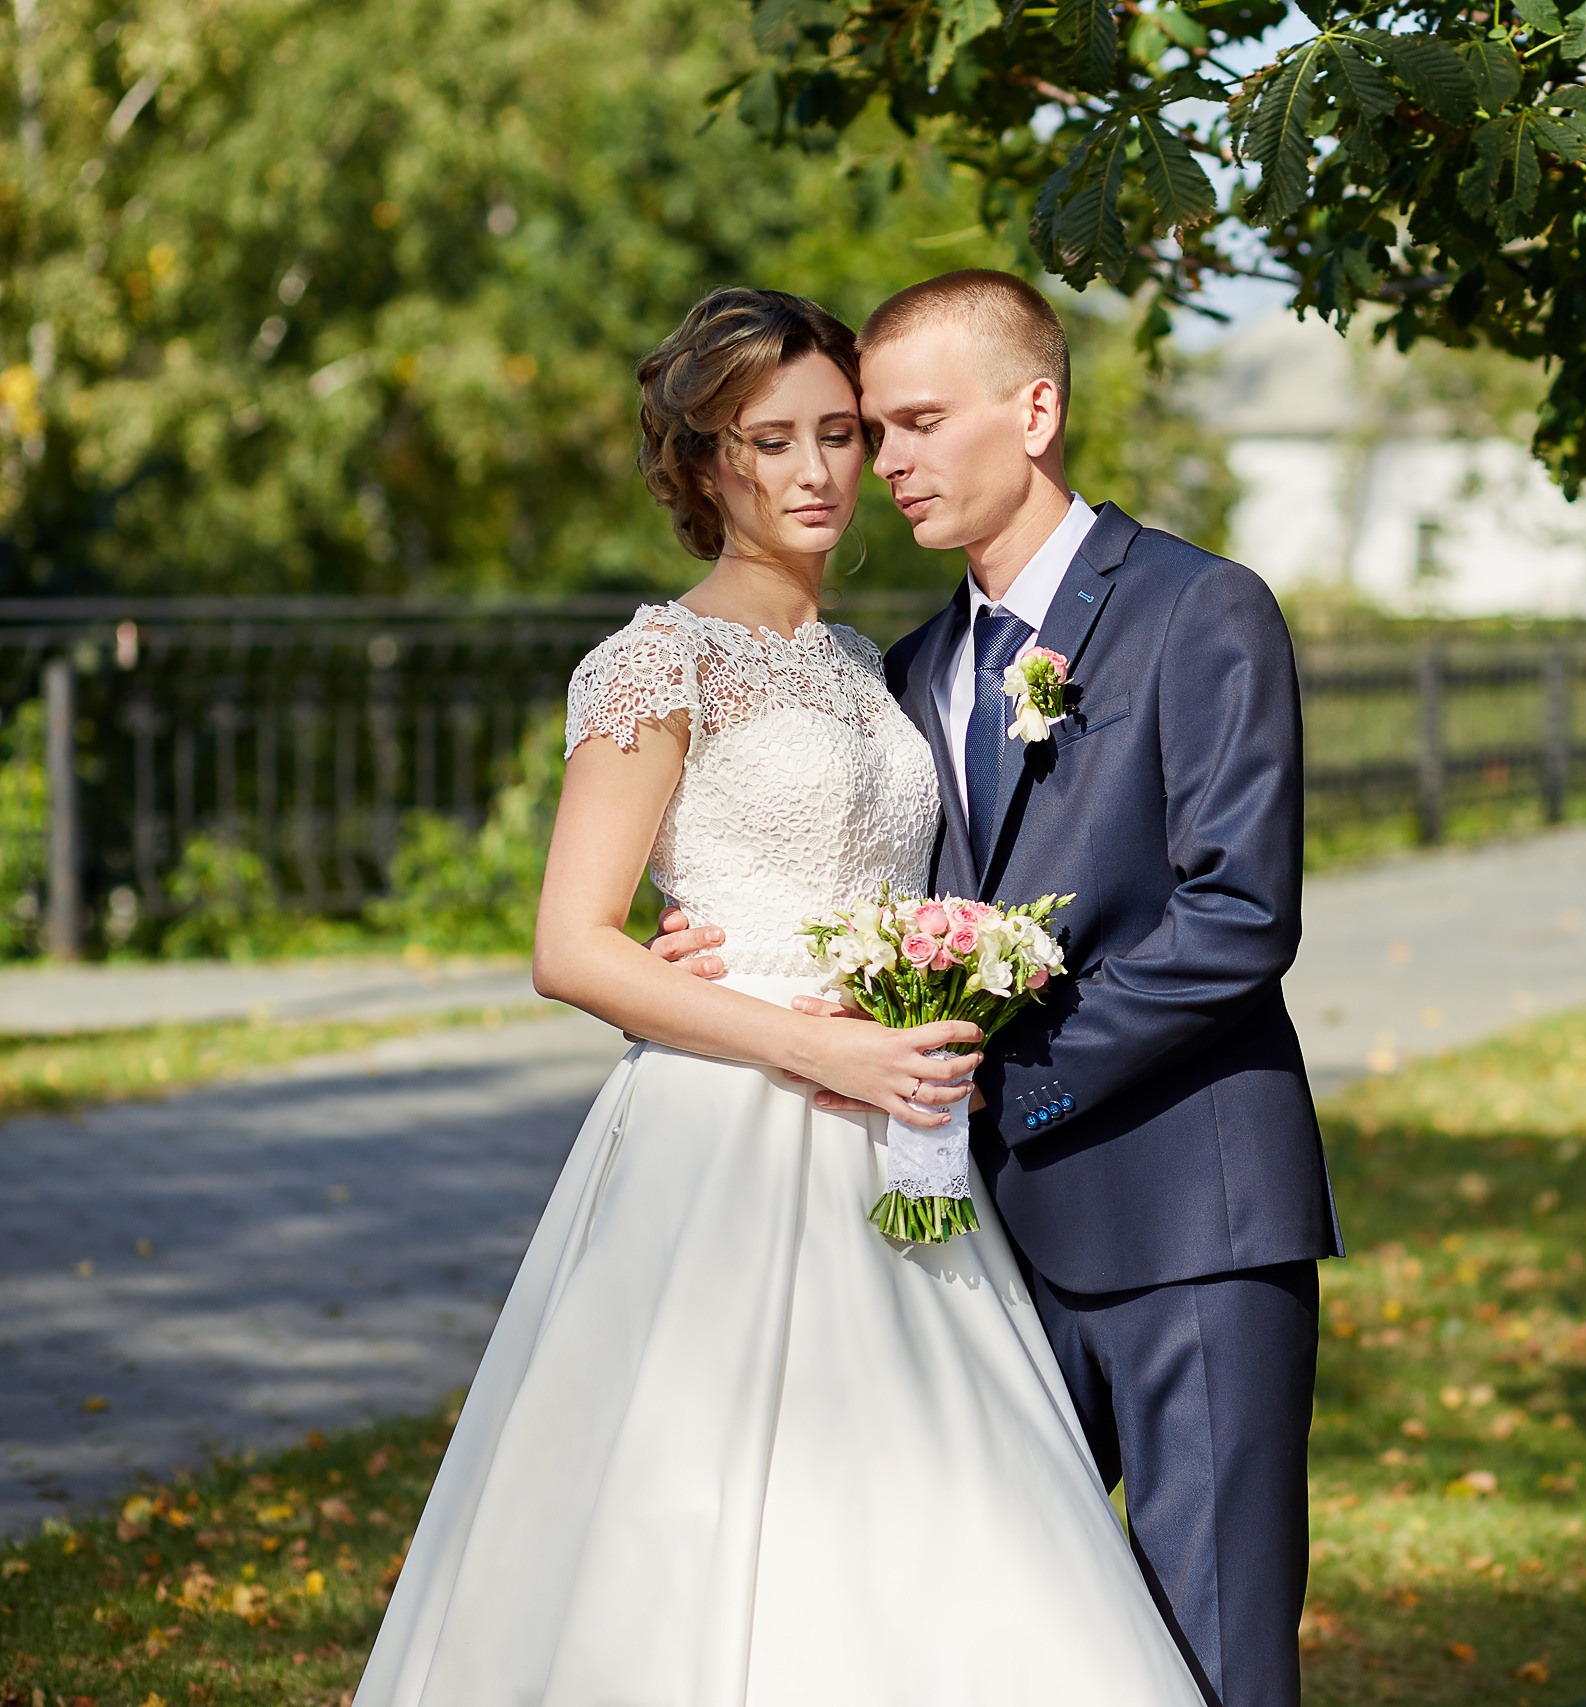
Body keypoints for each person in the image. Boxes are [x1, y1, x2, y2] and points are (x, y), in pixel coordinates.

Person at [351, 287, 1206, 1706]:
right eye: (769, 442)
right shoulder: (655, 662)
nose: (815, 474)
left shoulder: (869, 663)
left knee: (937, 1507)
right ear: (702, 466)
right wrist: (796, 1034)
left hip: (896, 1137)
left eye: (841, 435)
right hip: (731, 1140)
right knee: (700, 1510)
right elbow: (573, 942)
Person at [649, 271, 1341, 1707]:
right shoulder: (904, 668)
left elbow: (1237, 915)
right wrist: (726, 946)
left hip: (1186, 1227)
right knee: (1001, 1648)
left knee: (1212, 1655)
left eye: (912, 424)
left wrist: (1003, 1082)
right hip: (972, 1248)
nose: (882, 463)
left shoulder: (1199, 610)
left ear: (1034, 410)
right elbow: (873, 902)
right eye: (867, 431)